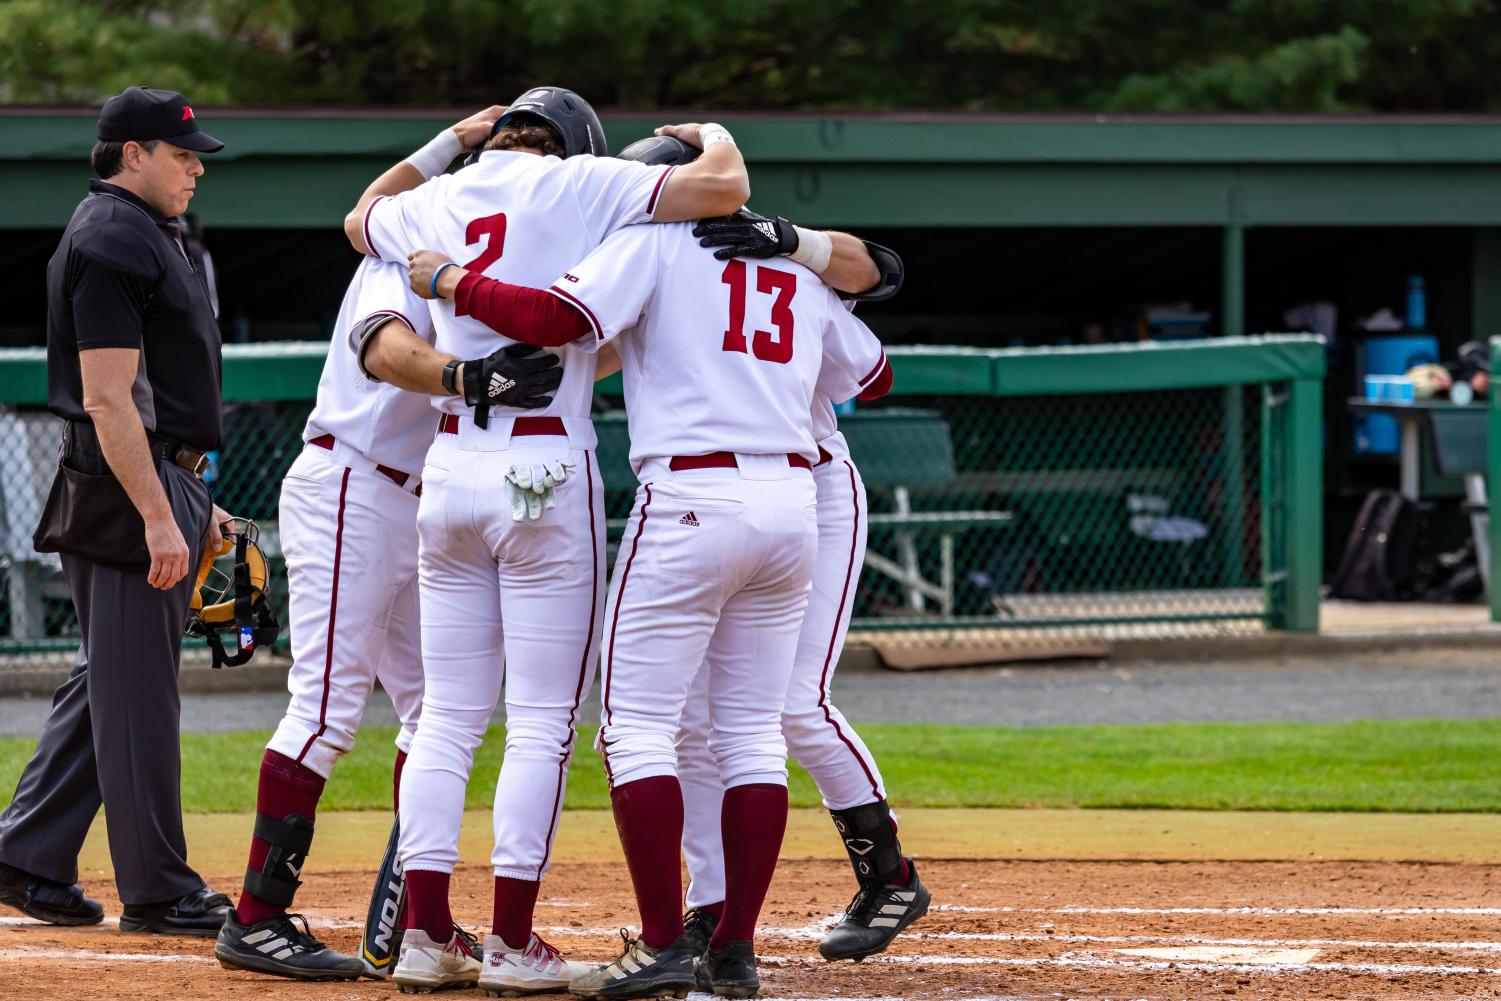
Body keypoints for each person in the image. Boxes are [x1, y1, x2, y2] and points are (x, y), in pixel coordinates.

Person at [402, 134, 892, 1000]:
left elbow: (555, 322)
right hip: (791, 499)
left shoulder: (650, 238)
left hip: (692, 496)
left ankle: (665, 940)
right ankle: (732, 948)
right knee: (749, 734)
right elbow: (875, 376)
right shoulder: (788, 256)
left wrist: (450, 282)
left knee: (635, 727)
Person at [340, 87, 754, 995]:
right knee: (539, 724)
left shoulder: (433, 197)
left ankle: (423, 934)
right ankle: (511, 942)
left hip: (449, 465)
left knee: (445, 718)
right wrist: (713, 133)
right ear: (572, 144)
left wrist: (447, 141)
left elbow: (358, 215)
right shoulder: (582, 183)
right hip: (543, 473)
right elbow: (722, 188)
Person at [212, 103, 570, 982]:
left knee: (436, 711)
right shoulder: (422, 226)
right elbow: (383, 348)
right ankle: (255, 917)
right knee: (328, 706)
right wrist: (469, 377)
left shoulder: (473, 238)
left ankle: (418, 924)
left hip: (419, 498)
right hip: (353, 481)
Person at [0, 86, 236, 936]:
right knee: (138, 692)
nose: (196, 165)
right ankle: (159, 886)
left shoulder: (145, 231)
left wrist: (191, 493)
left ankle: (26, 853)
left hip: (159, 474)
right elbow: (108, 398)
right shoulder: (110, 237)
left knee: (113, 677)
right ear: (131, 154)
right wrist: (158, 511)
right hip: (123, 479)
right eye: (181, 153)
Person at [675, 213, 930, 965]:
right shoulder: (648, 269)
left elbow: (875, 358)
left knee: (791, 701)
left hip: (811, 487)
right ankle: (709, 905)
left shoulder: (770, 258)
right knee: (691, 712)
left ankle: (889, 874)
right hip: (706, 494)